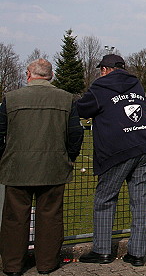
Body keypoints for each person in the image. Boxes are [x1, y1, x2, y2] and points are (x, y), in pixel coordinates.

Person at [0, 59, 84, 276]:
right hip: (54, 167)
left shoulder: (11, 99)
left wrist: (5, 157)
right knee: (50, 217)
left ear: (28, 74)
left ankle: (12, 265)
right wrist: (69, 157)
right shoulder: (67, 99)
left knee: (14, 218)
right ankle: (46, 264)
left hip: (17, 167)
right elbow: (76, 133)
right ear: (51, 75)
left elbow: (0, 131)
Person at [76, 54, 146, 267]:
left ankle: (102, 251)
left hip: (119, 149)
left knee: (105, 199)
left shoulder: (100, 86)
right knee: (142, 201)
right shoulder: (136, 83)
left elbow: (82, 108)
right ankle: (137, 254)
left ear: (105, 69)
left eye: (100, 70)